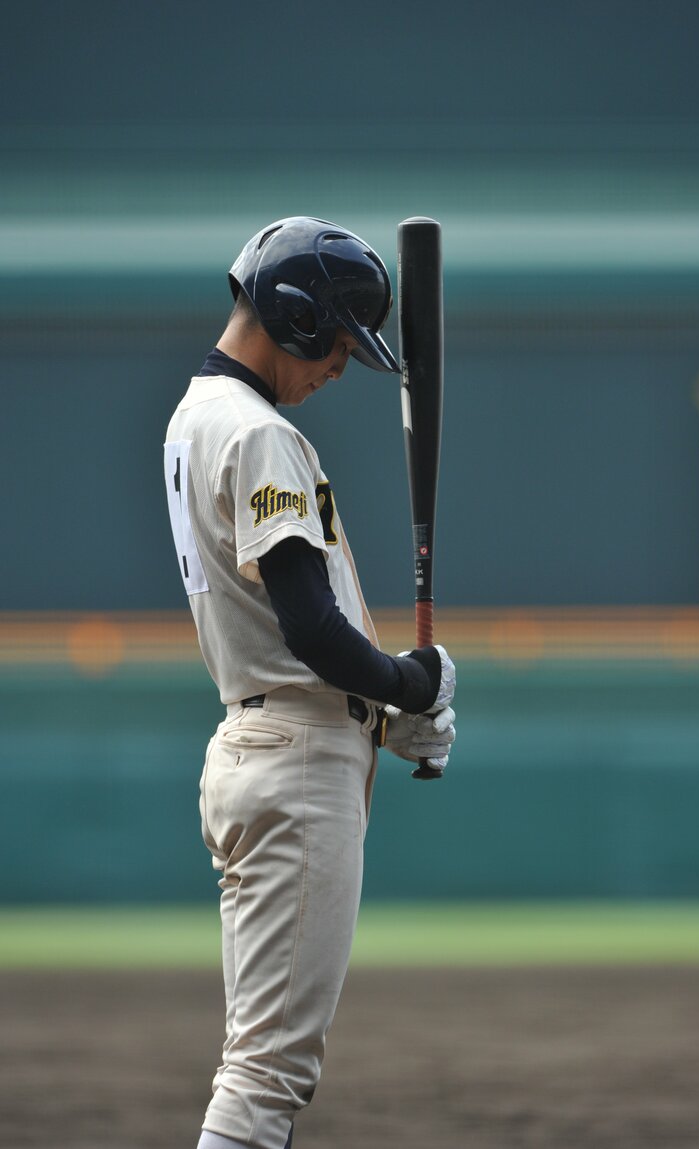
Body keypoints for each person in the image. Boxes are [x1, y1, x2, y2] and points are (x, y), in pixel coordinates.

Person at [163, 216, 456, 1149]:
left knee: (262, 1065)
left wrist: (382, 704)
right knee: (265, 1075)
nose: (340, 365)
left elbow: (295, 638)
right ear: (293, 316)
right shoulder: (255, 433)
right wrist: (408, 683)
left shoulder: (195, 418)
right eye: (336, 340)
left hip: (266, 740)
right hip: (292, 759)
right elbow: (310, 627)